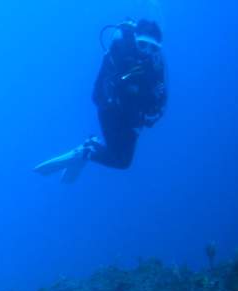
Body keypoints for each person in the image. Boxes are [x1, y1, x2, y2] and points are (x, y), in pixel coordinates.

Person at [35, 19, 167, 182]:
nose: (147, 51)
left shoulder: (156, 64)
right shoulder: (120, 50)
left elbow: (161, 95)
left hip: (133, 117)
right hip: (109, 108)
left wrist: (154, 112)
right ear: (135, 39)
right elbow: (103, 88)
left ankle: (89, 148)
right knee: (120, 160)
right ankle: (86, 150)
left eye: (153, 47)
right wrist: (124, 82)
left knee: (124, 162)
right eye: (143, 44)